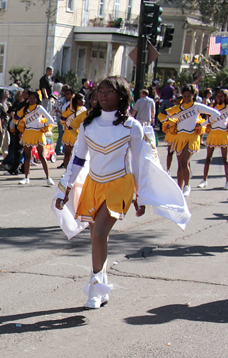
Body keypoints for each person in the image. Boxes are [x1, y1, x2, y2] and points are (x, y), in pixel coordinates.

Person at [55, 76, 188, 309]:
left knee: (99, 235)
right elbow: (78, 159)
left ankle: (95, 290)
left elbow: (138, 163)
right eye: (101, 91)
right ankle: (101, 285)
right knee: (96, 238)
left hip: (120, 185)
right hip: (93, 184)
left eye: (109, 91)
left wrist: (140, 194)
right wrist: (66, 187)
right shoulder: (87, 124)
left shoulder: (132, 126)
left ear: (122, 96)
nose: (104, 94)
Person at [161, 85, 218, 195]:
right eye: (185, 96)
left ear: (194, 95)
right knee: (180, 164)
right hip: (179, 137)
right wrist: (170, 123)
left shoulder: (197, 106)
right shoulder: (178, 108)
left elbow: (216, 114)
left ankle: (187, 186)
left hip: (192, 136)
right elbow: (164, 116)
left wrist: (202, 124)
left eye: (189, 96)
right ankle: (179, 188)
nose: (187, 98)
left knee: (184, 161)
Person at [200, 88, 228, 190]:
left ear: (226, 97)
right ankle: (204, 180)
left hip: (223, 134)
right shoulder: (213, 107)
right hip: (212, 134)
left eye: (221, 96)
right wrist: (200, 125)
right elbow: (208, 119)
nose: (219, 98)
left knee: (225, 159)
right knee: (208, 158)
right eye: (217, 96)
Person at [16, 90, 54, 186]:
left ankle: (48, 177)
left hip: (38, 133)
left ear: (37, 99)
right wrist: (17, 126)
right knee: (27, 156)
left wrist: (41, 125)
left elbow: (51, 120)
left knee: (41, 155)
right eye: (30, 98)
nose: (32, 100)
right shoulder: (25, 109)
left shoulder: (39, 108)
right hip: (28, 133)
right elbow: (16, 117)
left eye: (34, 98)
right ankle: (26, 177)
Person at [60, 92, 86, 170]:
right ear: (77, 100)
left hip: (79, 134)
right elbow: (62, 121)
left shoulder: (83, 109)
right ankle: (67, 171)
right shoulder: (68, 110)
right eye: (82, 99)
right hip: (69, 134)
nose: (84, 101)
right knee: (68, 154)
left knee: (79, 154)